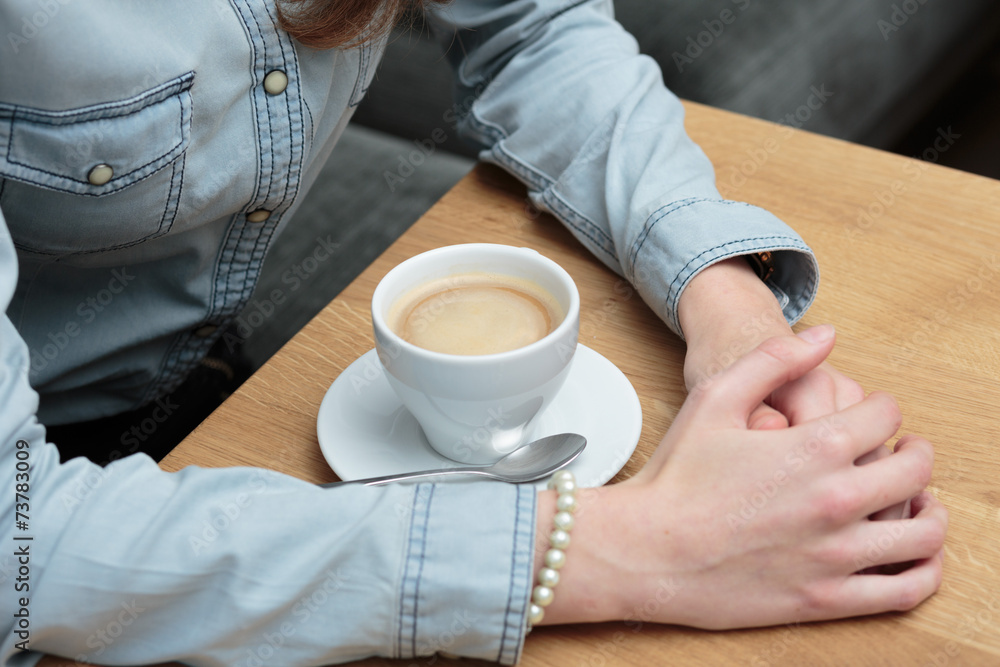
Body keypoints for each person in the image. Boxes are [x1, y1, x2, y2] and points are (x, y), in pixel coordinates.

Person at [0, 0, 946, 664]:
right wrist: (623, 550)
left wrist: (726, 303)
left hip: (200, 377)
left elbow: (530, 26)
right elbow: (19, 548)